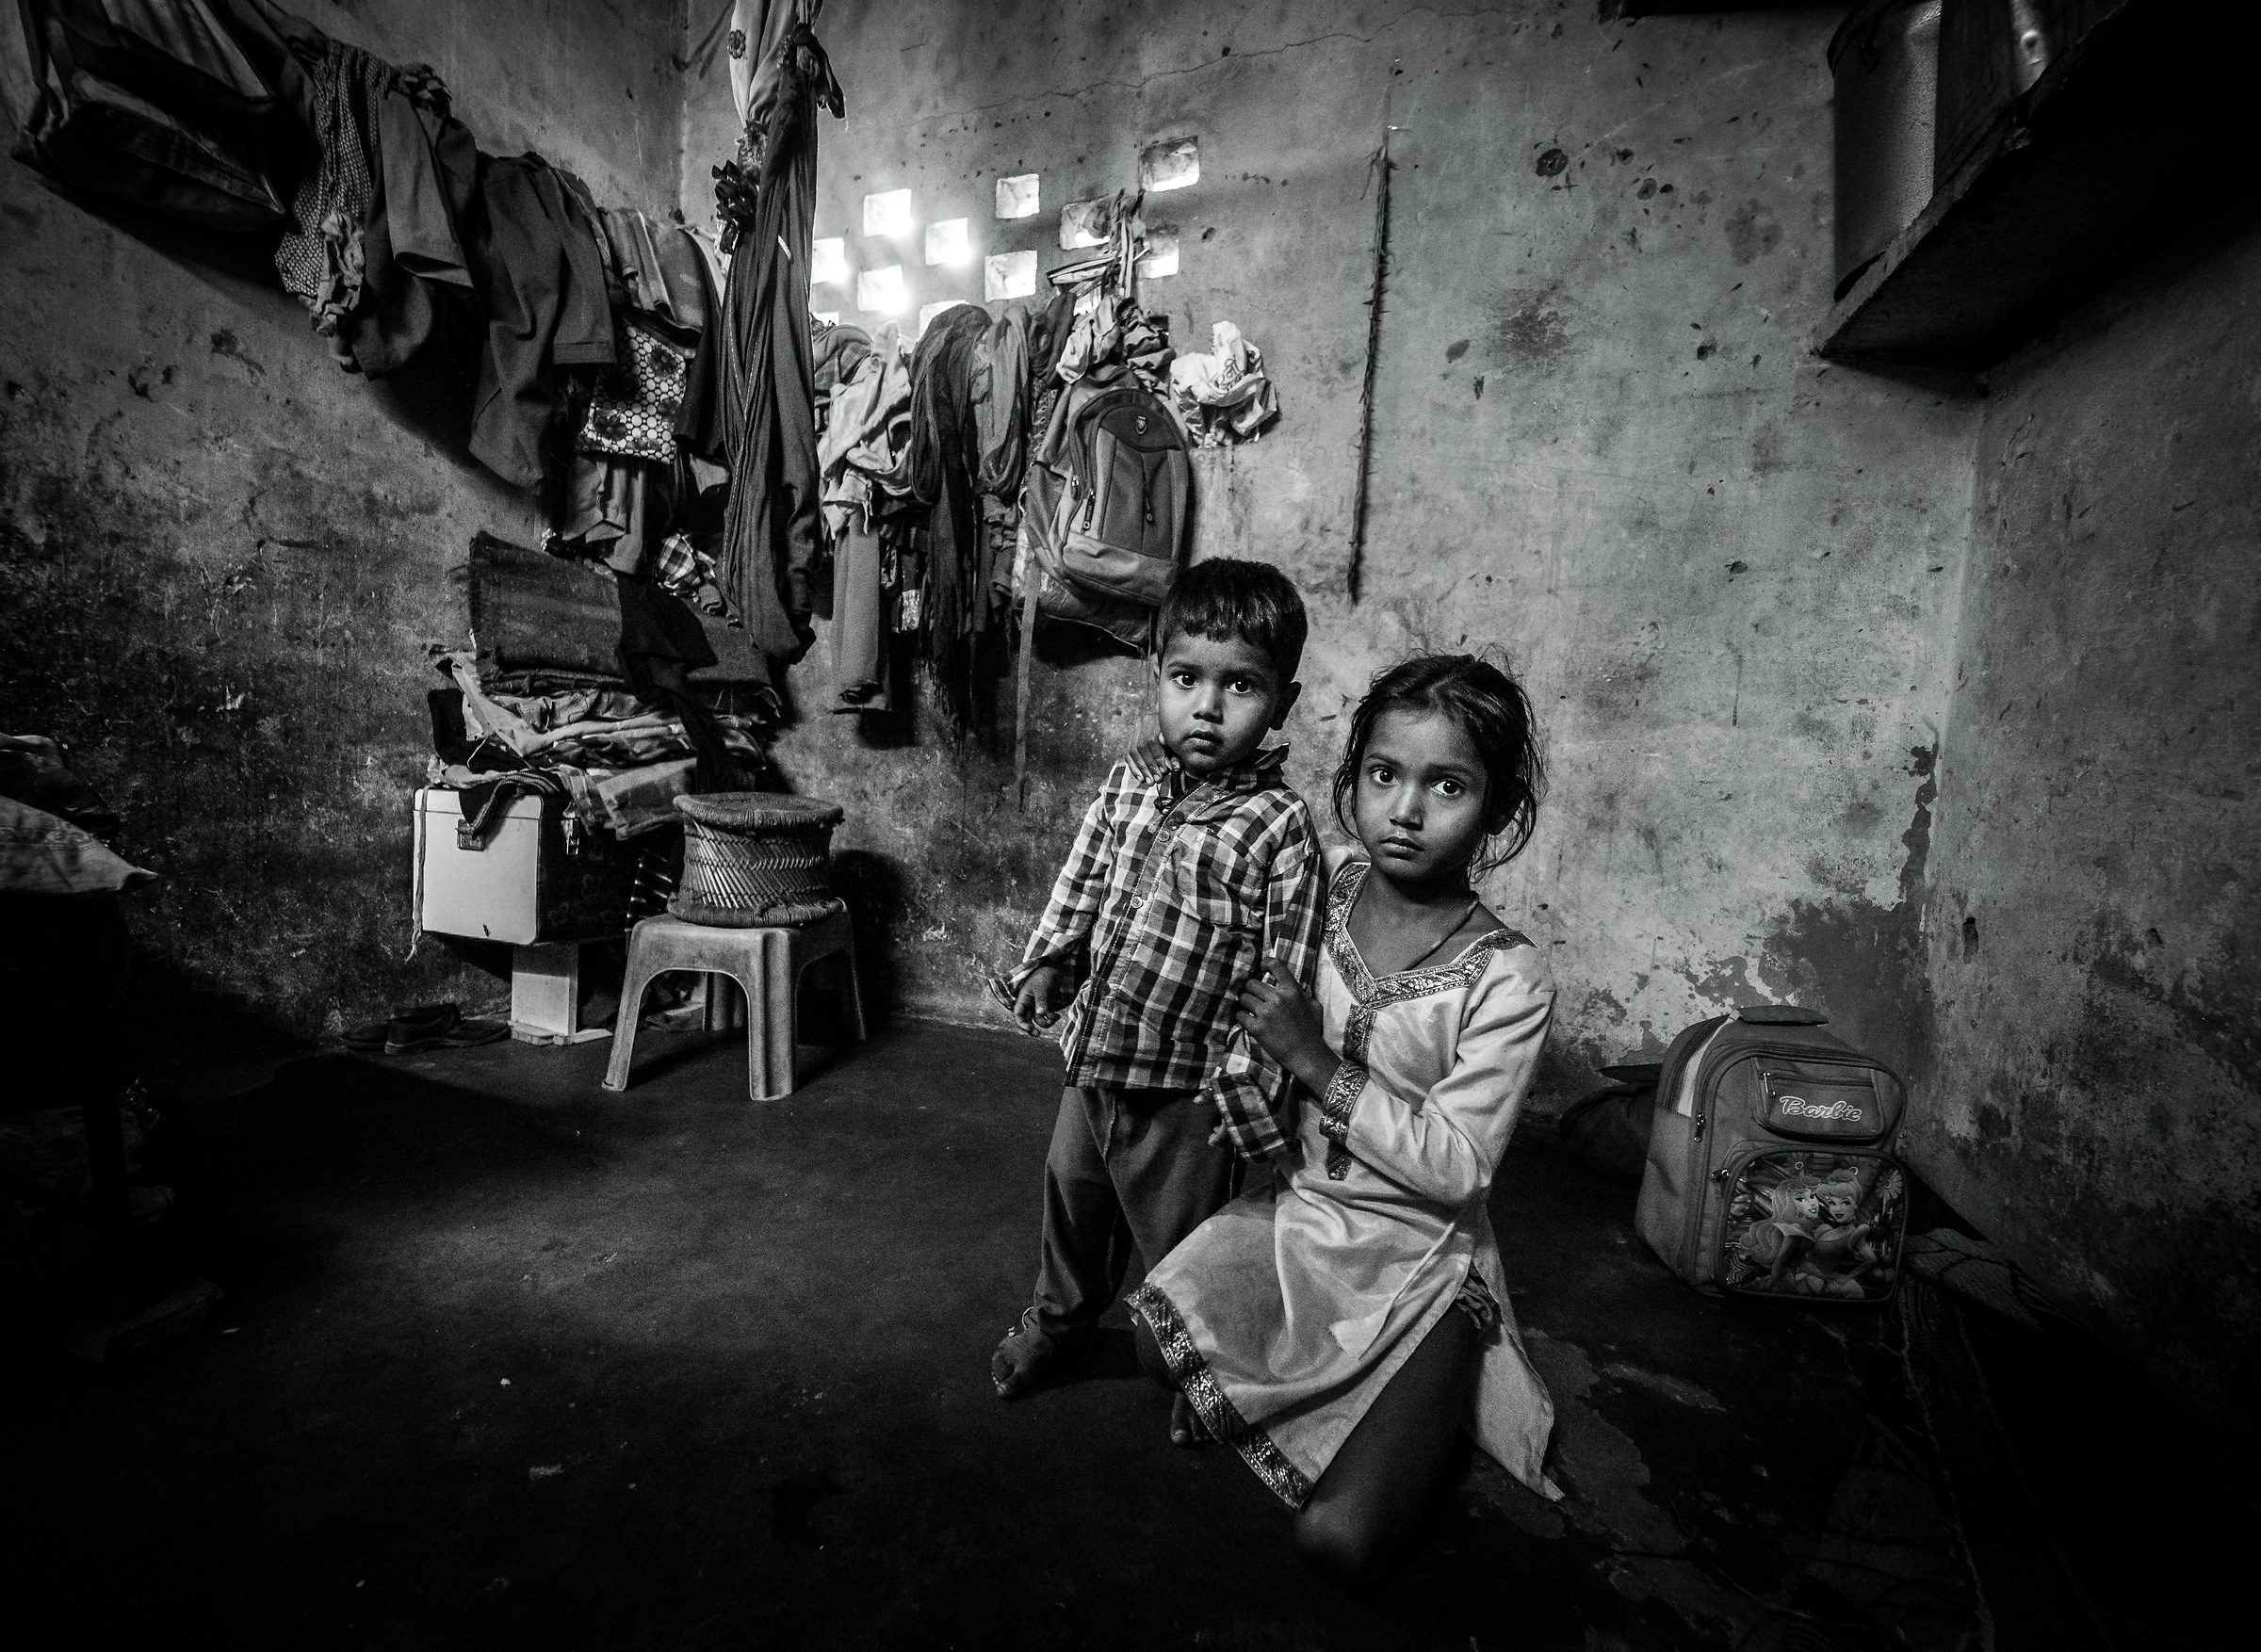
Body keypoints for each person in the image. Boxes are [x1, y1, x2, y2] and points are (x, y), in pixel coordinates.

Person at [1127, 653, 1562, 1583]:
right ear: (1352, 777)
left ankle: (1437, 1371)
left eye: (1448, 785)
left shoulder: (1508, 976)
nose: (1406, 810)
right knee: (1149, 1340)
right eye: (1384, 774)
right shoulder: (1317, 883)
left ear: (1499, 808)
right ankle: (1274, 1384)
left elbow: (1458, 1167)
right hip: (1301, 1216)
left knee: (1341, 1542)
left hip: (1420, 1263)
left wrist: (1315, 1063)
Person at [988, 559, 1326, 1400]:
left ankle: (1199, 1369)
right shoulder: (1128, 783)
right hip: (1096, 1062)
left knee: (1185, 1242)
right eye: (1186, 678)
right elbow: (1083, 884)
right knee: (1073, 1200)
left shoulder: (1279, 826)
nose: (1207, 707)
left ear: (1282, 703)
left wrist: (1249, 1084)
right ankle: (1060, 1325)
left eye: (1240, 685)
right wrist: (1051, 962)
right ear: (1156, 677)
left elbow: (1283, 972)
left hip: (1188, 1091)